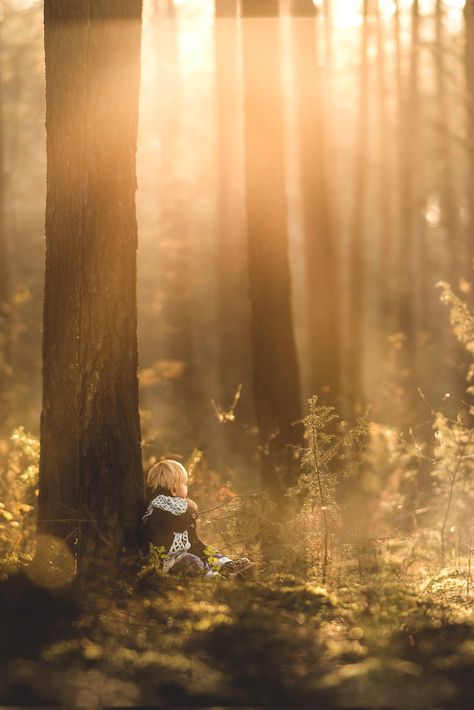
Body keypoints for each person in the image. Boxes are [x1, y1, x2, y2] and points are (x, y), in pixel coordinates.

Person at [142, 459, 253, 578]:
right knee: (192, 562)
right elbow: (178, 526)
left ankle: (229, 567)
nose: (187, 488)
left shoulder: (178, 506)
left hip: (184, 553)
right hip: (168, 560)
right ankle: (219, 579)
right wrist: (192, 511)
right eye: (184, 485)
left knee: (208, 552)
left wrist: (203, 550)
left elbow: (192, 539)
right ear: (174, 490)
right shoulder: (159, 508)